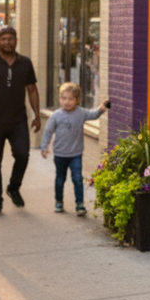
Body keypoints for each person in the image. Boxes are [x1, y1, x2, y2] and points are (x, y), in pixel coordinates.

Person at [0, 25, 41, 216]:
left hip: (18, 120)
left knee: (23, 155)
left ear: (16, 40)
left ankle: (13, 187)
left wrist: (37, 115)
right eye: (3, 39)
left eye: (10, 38)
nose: (7, 42)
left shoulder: (25, 63)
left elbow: (32, 90)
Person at [40, 82, 110, 215]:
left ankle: (79, 205)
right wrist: (44, 147)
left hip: (75, 154)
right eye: (64, 98)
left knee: (77, 178)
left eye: (71, 99)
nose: (67, 101)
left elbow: (93, 114)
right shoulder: (56, 115)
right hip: (60, 154)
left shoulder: (81, 113)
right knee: (60, 179)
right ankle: (59, 201)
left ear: (77, 100)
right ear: (60, 99)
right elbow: (48, 131)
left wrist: (101, 108)